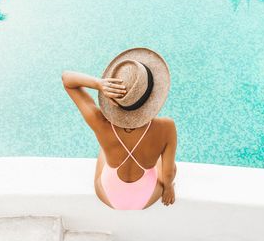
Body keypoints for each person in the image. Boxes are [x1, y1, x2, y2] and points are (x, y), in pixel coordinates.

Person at [61, 47, 177, 210]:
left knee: (105, 147)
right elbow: (168, 174)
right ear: (152, 98)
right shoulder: (166, 127)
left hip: (109, 196)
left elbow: (67, 80)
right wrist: (169, 188)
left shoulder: (100, 122)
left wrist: (99, 84)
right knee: (168, 164)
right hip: (145, 198)